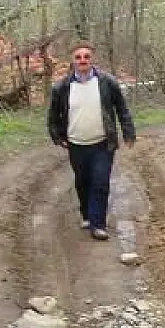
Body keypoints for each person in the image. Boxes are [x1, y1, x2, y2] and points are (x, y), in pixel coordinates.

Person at [47, 43, 136, 240]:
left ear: (92, 59)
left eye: (86, 56)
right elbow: (53, 116)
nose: (83, 60)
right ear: (73, 61)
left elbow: (122, 109)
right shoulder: (61, 87)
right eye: (78, 57)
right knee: (82, 181)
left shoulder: (107, 82)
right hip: (76, 144)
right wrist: (57, 136)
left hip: (103, 144)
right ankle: (87, 213)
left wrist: (128, 132)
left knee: (100, 181)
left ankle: (98, 224)